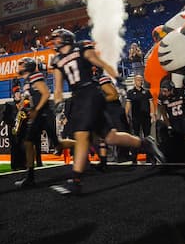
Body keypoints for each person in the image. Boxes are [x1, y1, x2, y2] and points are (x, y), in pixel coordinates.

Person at [48, 29, 164, 195]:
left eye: (57, 38)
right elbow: (58, 87)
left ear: (66, 38)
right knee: (111, 137)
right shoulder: (57, 60)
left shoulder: (81, 48)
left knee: (81, 135)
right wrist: (58, 102)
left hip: (90, 93)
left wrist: (117, 78)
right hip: (79, 97)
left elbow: (101, 63)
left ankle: (76, 180)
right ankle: (145, 143)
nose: (54, 41)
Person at [14, 57, 56, 188]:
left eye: (21, 64)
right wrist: (22, 104)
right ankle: (30, 177)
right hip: (38, 115)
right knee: (28, 142)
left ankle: (81, 147)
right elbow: (30, 97)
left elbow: (46, 94)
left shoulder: (35, 76)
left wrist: (36, 109)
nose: (19, 66)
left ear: (27, 66)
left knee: (58, 145)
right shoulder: (27, 80)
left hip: (44, 114)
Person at [125, 74, 154, 164]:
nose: (140, 81)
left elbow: (151, 103)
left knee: (147, 137)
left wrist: (153, 114)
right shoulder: (130, 92)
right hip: (136, 118)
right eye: (138, 80)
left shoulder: (147, 92)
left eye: (141, 80)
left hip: (146, 117)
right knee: (135, 137)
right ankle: (134, 158)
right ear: (134, 81)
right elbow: (128, 104)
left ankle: (150, 157)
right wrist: (126, 115)